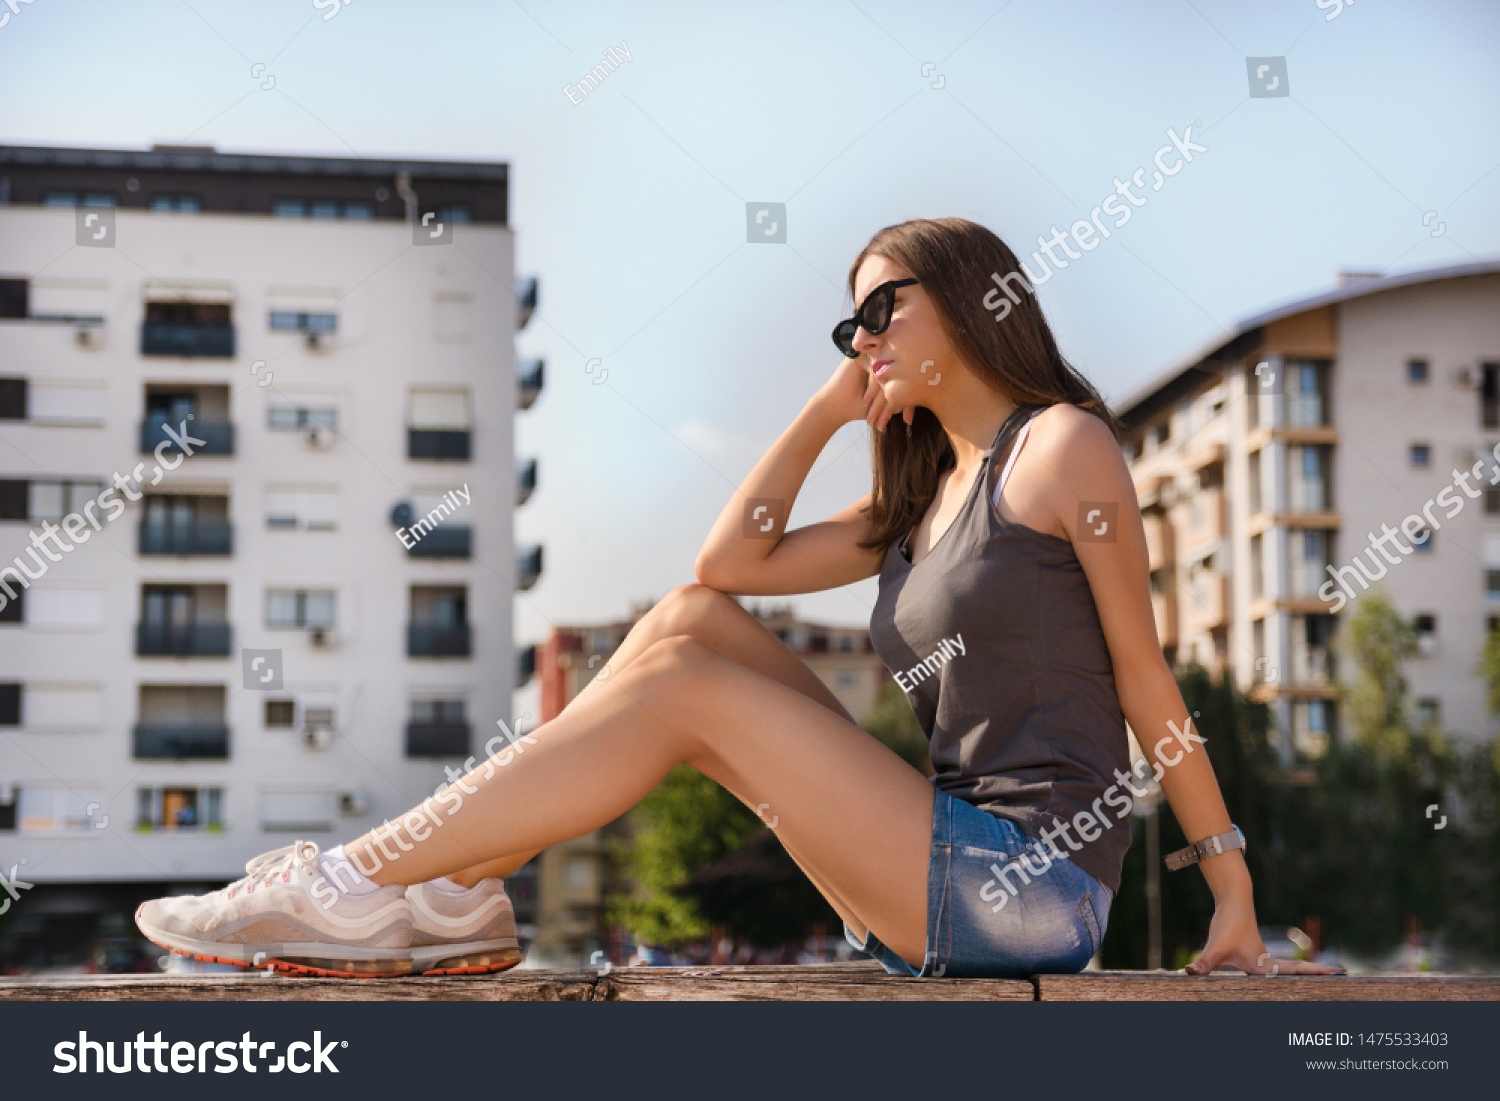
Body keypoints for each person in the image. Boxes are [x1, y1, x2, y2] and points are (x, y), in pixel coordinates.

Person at [135, 217, 1342, 979]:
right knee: (684, 627)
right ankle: (444, 891)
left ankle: (360, 882)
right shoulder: (920, 503)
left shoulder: (1064, 448)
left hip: (1028, 890)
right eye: (847, 321)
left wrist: (1228, 885)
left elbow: (1144, 677)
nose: (860, 339)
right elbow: (726, 569)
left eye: (883, 310)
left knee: (685, 685)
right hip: (934, 865)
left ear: (974, 303)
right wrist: (827, 411)